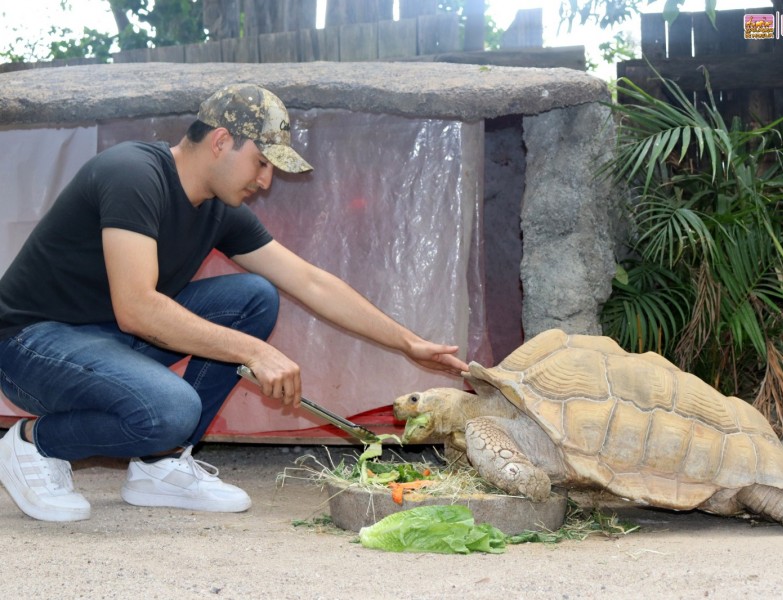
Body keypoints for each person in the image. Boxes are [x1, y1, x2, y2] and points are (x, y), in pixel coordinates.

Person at [0, 83, 469, 522]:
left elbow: (310, 281)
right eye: (262, 163)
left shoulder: (218, 209)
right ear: (222, 141)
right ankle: (31, 443)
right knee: (171, 411)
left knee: (254, 296)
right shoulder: (133, 174)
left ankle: (160, 466)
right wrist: (255, 352)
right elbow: (138, 308)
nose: (266, 181)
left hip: (110, 344)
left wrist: (410, 343)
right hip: (31, 346)